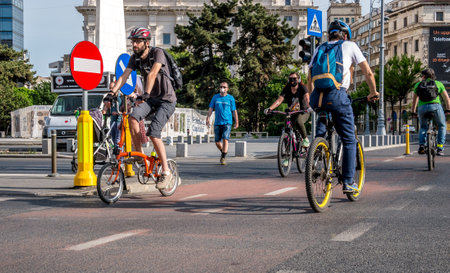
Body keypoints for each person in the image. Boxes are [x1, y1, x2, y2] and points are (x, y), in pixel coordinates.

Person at [307, 20, 379, 193]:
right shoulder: (350, 45)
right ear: (345, 34)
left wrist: (312, 101)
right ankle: (348, 181)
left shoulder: (319, 48)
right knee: (349, 139)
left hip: (318, 97)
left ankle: (316, 155)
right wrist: (373, 92)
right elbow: (368, 72)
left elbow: (309, 77)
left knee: (321, 130)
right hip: (338, 95)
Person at [109, 27, 177, 190]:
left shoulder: (157, 53)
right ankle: (139, 156)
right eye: (133, 42)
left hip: (166, 100)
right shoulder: (135, 58)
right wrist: (112, 92)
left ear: (147, 43)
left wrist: (145, 93)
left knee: (154, 132)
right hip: (152, 99)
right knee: (133, 118)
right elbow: (124, 76)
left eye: (138, 41)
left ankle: (166, 172)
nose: (135, 45)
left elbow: (153, 73)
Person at [264, 72, 313, 147]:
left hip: (303, 111)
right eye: (290, 79)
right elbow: (279, 100)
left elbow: (307, 99)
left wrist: (309, 107)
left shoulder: (302, 87)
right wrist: (270, 108)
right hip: (291, 112)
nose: (292, 80)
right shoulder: (286, 88)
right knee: (286, 128)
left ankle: (305, 138)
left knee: (299, 121)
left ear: (299, 79)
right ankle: (286, 153)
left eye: (294, 78)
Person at [411, 68, 450, 156]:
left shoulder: (418, 85)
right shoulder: (438, 84)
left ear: (423, 76)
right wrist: (448, 109)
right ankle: (440, 148)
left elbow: (414, 100)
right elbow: (447, 98)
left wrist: (413, 111)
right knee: (442, 125)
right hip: (436, 107)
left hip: (422, 108)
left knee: (423, 127)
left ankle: (421, 145)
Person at [206, 82, 239, 165]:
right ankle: (223, 152)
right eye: (221, 87)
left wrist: (237, 122)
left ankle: (223, 157)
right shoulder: (215, 97)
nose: (222, 88)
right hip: (217, 122)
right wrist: (208, 118)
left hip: (227, 122)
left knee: (225, 138)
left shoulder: (230, 98)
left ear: (227, 88)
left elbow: (234, 111)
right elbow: (211, 108)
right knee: (217, 142)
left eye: (224, 87)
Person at [102, 81, 122, 147]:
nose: (111, 89)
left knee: (117, 140)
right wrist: (104, 111)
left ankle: (119, 156)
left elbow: (125, 109)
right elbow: (105, 108)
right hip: (112, 120)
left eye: (112, 88)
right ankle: (116, 154)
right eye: (110, 88)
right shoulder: (111, 97)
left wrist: (118, 113)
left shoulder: (121, 97)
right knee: (113, 139)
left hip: (119, 120)